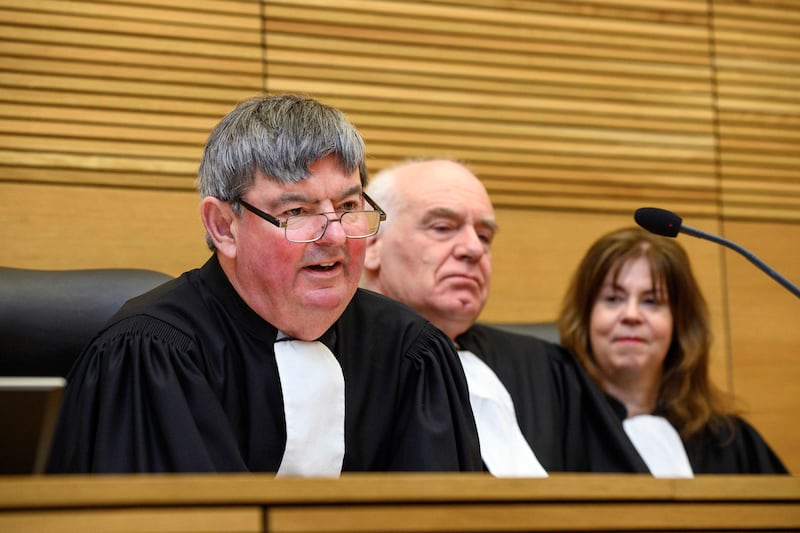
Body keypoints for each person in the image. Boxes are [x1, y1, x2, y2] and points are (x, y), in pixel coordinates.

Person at [46, 95, 483, 474]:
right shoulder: (151, 356)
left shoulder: (413, 353)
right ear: (223, 227)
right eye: (296, 212)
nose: (334, 235)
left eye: (349, 205)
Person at [360, 158, 649, 475]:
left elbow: (629, 504)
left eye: (484, 236)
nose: (473, 248)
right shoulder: (343, 363)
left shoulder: (545, 369)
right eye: (442, 228)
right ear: (373, 244)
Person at [558, 226, 788, 475]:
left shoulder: (728, 442)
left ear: (680, 323)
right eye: (613, 299)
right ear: (585, 318)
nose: (631, 315)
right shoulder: (556, 433)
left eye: (652, 301)